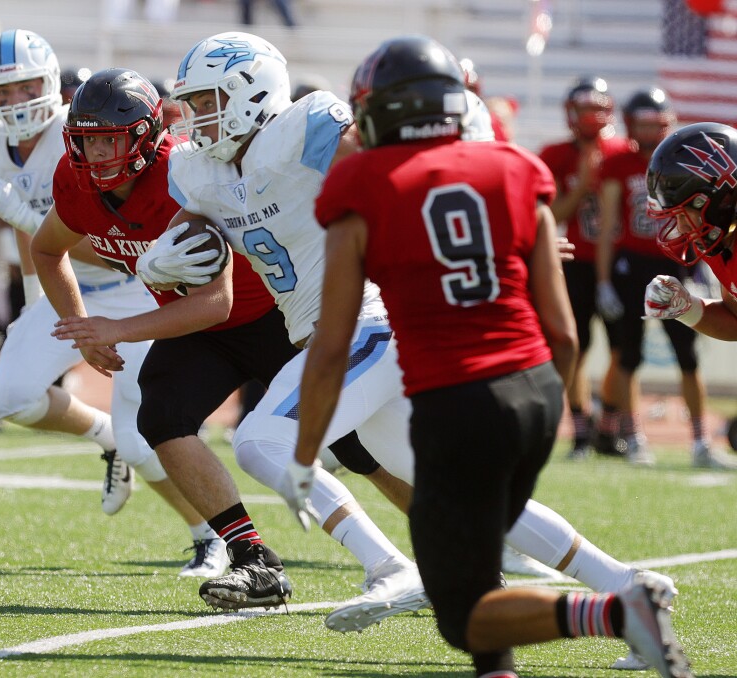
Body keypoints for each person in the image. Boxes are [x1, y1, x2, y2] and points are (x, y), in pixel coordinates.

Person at [140, 32, 680, 660]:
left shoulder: (305, 129)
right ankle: (629, 591)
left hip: (369, 322)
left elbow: (395, 173)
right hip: (329, 335)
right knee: (473, 496)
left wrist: (493, 227)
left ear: (249, 92)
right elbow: (199, 222)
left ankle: (390, 568)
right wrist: (160, 259)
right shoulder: (199, 169)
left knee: (262, 439)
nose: (196, 117)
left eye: (207, 101)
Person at [286, 35, 692, 678]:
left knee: (464, 614)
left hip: (457, 402)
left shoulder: (361, 182)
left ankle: (619, 611)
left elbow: (331, 345)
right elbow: (562, 333)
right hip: (532, 390)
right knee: (477, 585)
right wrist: (549, 411)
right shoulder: (512, 166)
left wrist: (305, 455)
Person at [48, 66, 431, 616]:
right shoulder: (79, 179)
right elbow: (47, 247)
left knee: (357, 445)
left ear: (145, 135)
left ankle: (455, 547)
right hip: (203, 327)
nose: (97, 154)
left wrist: (115, 328)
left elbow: (217, 299)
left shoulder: (182, 171)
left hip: (273, 312)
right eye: (85, 140)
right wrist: (84, 325)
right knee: (162, 414)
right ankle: (254, 558)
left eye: (109, 138)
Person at [0, 29, 220, 567]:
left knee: (144, 436)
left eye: (25, 85)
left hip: (135, 284)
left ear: (51, 82)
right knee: (8, 396)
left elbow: (119, 244)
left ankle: (208, 534)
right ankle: (100, 435)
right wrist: (51, 310)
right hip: (63, 285)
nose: (14, 101)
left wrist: (38, 229)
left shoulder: (86, 129)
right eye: (1, 91)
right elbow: (38, 244)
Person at [595, 89, 726, 468]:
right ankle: (633, 436)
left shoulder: (680, 159)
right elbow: (607, 225)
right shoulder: (618, 161)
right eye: (645, 124)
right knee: (628, 356)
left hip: (681, 260)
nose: (652, 131)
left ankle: (701, 440)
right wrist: (604, 280)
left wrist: (700, 270)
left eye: (658, 124)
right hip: (632, 264)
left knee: (688, 357)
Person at [538, 76, 631, 459]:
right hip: (575, 259)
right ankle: (579, 430)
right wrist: (581, 187)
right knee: (574, 347)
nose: (591, 118)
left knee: (624, 349)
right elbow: (549, 216)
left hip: (619, 264)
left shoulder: (624, 152)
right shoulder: (555, 154)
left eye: (597, 109)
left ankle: (611, 424)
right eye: (584, 109)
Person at [645, 121, 737, 469]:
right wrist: (688, 309)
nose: (681, 227)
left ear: (720, 197)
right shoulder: (721, 239)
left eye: (686, 212)